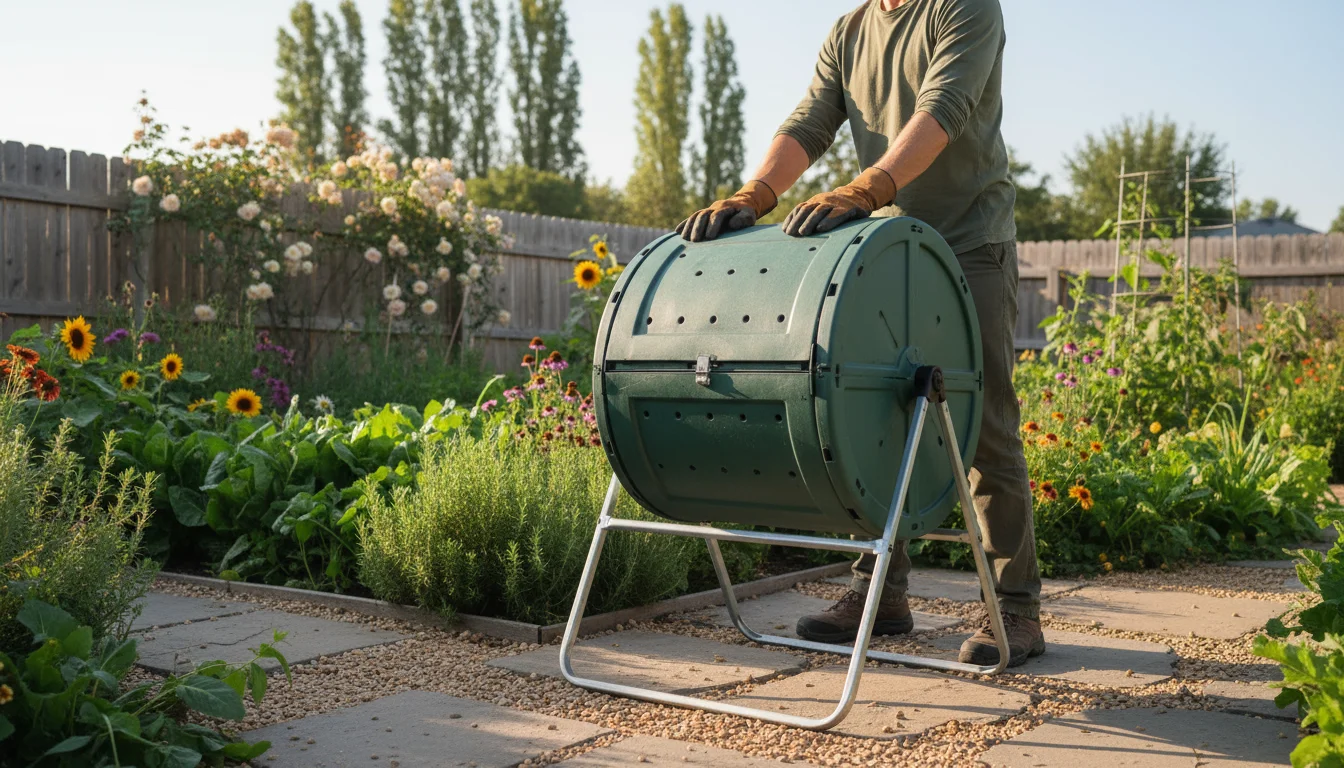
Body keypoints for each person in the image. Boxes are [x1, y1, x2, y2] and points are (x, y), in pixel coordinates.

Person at [675, 0, 1042, 667]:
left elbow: (947, 106)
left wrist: (870, 185)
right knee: (878, 413)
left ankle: (1014, 610)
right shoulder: (850, 32)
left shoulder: (964, 8)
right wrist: (756, 194)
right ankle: (880, 594)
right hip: (888, 249)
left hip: (969, 240)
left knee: (983, 424)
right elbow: (812, 120)